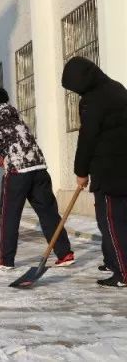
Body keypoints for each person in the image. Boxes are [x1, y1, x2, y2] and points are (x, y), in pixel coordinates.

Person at [0, 87, 74, 270]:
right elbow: (11, 148)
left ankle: (5, 259)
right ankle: (65, 253)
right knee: (48, 213)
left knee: (9, 216)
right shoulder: (17, 119)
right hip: (39, 169)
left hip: (17, 173)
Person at [62, 57, 127, 287]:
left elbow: (87, 137)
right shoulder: (117, 88)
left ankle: (123, 272)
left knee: (111, 222)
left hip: (109, 170)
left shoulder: (92, 100)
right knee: (118, 220)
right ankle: (112, 261)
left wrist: (81, 171)